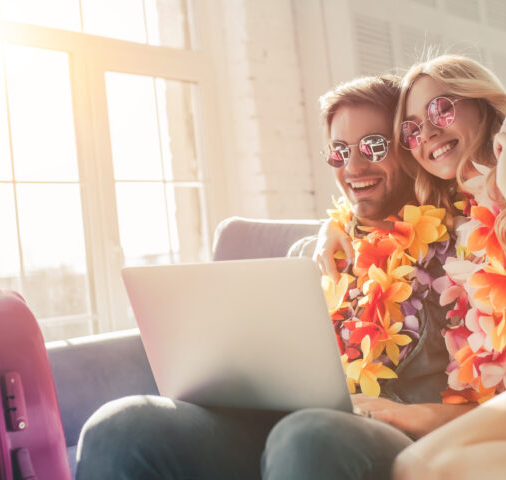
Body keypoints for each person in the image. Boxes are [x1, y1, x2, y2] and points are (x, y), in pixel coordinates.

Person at [74, 75, 464, 480]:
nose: (353, 166)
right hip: (276, 427)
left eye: (374, 146)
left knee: (306, 436)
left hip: (385, 439)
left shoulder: (458, 256)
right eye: (339, 151)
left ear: (408, 146)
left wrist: (409, 413)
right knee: (121, 425)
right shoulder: (309, 257)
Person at [320, 54, 506, 478]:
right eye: (410, 130)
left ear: (480, 102)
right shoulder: (467, 223)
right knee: (424, 465)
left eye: (440, 108)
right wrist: (336, 226)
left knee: (421, 466)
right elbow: (380, 206)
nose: (427, 132)